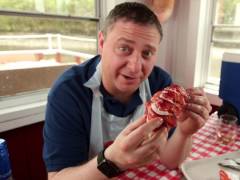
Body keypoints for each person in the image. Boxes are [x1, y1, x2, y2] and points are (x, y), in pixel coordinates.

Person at [43, 2, 211, 179]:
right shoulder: (68, 92)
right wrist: (112, 161)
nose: (134, 67)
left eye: (147, 53)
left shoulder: (161, 84)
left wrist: (185, 132)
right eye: (124, 48)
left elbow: (169, 161)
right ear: (101, 43)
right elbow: (57, 178)